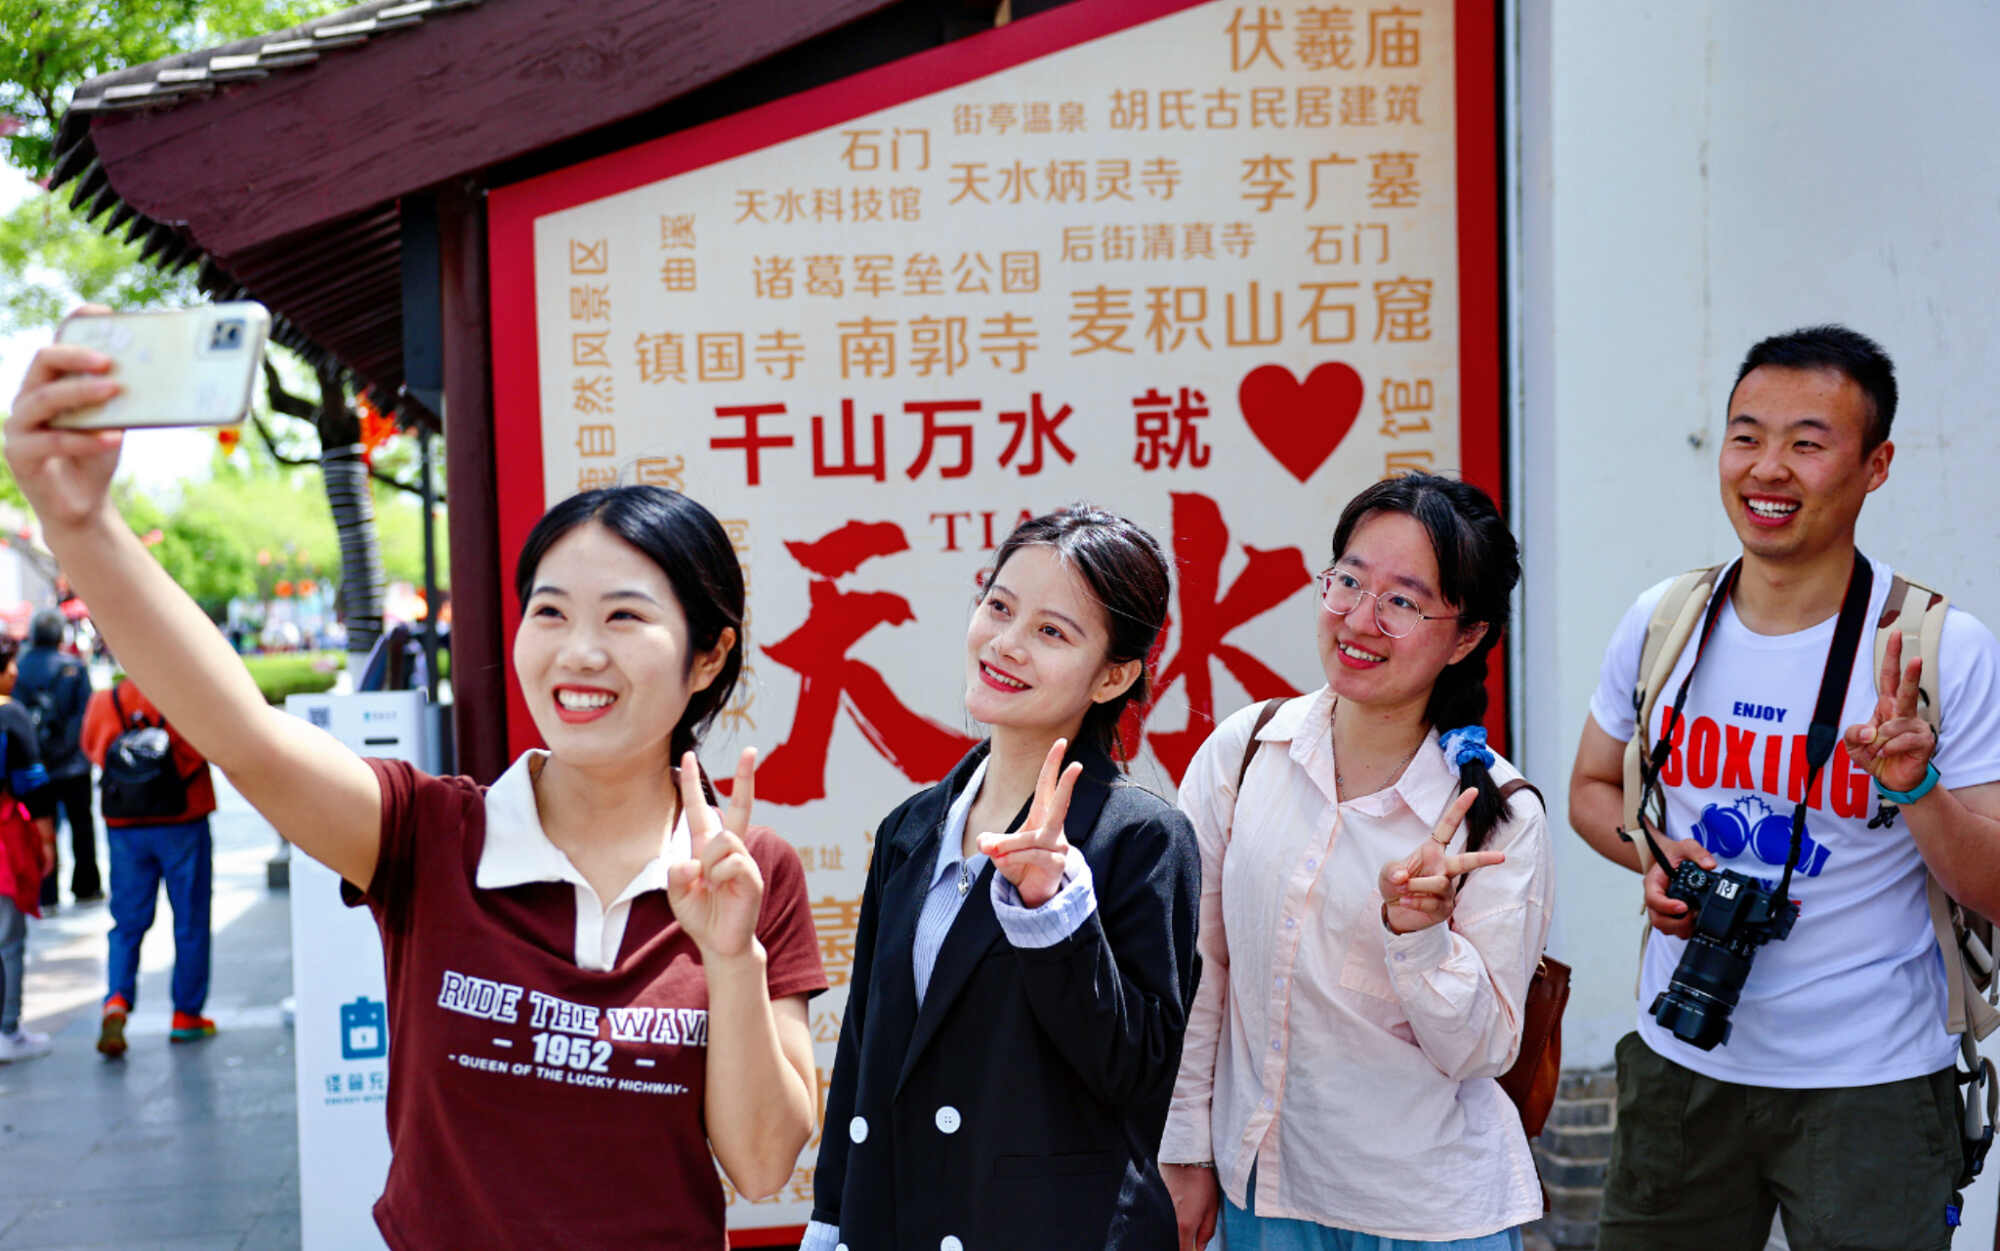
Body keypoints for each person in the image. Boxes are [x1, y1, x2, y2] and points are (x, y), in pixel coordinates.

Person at [8, 329, 826, 1249]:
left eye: (624, 617)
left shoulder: (749, 874)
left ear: (708, 656)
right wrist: (81, 524)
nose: (579, 652)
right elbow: (243, 735)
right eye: (550, 611)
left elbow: (763, 1164)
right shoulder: (428, 832)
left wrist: (730, 954)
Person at [1567, 325, 2000, 1250]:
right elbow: (1593, 788)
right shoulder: (1666, 620)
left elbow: (1994, 885)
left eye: (1807, 443)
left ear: (1876, 465)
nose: (1767, 468)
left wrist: (1917, 786)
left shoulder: (1938, 648)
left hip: (1871, 1087)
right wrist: (1653, 856)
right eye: (1746, 436)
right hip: (1681, 1063)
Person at [1162, 472, 1551, 1251]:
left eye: (1403, 601)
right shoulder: (1246, 752)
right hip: (1266, 1199)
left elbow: (1484, 1050)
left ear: (1466, 637)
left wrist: (1421, 938)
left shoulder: (1498, 816)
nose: (1360, 619)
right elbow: (1197, 969)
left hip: (1432, 1216)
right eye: (1348, 580)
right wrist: (1185, 1149)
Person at [804, 506, 1201, 1251]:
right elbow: (864, 1053)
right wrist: (832, 1223)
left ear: (1114, 675)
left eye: (1052, 631)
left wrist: (1053, 914)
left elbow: (1138, 1074)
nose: (1007, 643)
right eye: (999, 606)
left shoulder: (1140, 836)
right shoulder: (910, 828)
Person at [80, 676, 219, 1053]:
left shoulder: (105, 701)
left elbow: (93, 748)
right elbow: (207, 746)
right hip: (183, 820)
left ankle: (116, 999)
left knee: (126, 921)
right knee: (190, 919)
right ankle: (186, 1015)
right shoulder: (184, 695)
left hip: (125, 825)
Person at [0, 634, 60, 1063]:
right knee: (7, 937)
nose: (15, 671)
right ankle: (7, 1029)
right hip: (3, 837)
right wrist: (47, 839)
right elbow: (33, 783)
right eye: (9, 664)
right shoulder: (10, 715)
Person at [16, 607, 100, 906]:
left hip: (35, 765)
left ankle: (47, 892)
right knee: (81, 825)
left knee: (41, 828)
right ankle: (86, 886)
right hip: (74, 763)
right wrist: (70, 747)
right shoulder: (73, 667)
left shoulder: (19, 668)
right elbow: (85, 715)